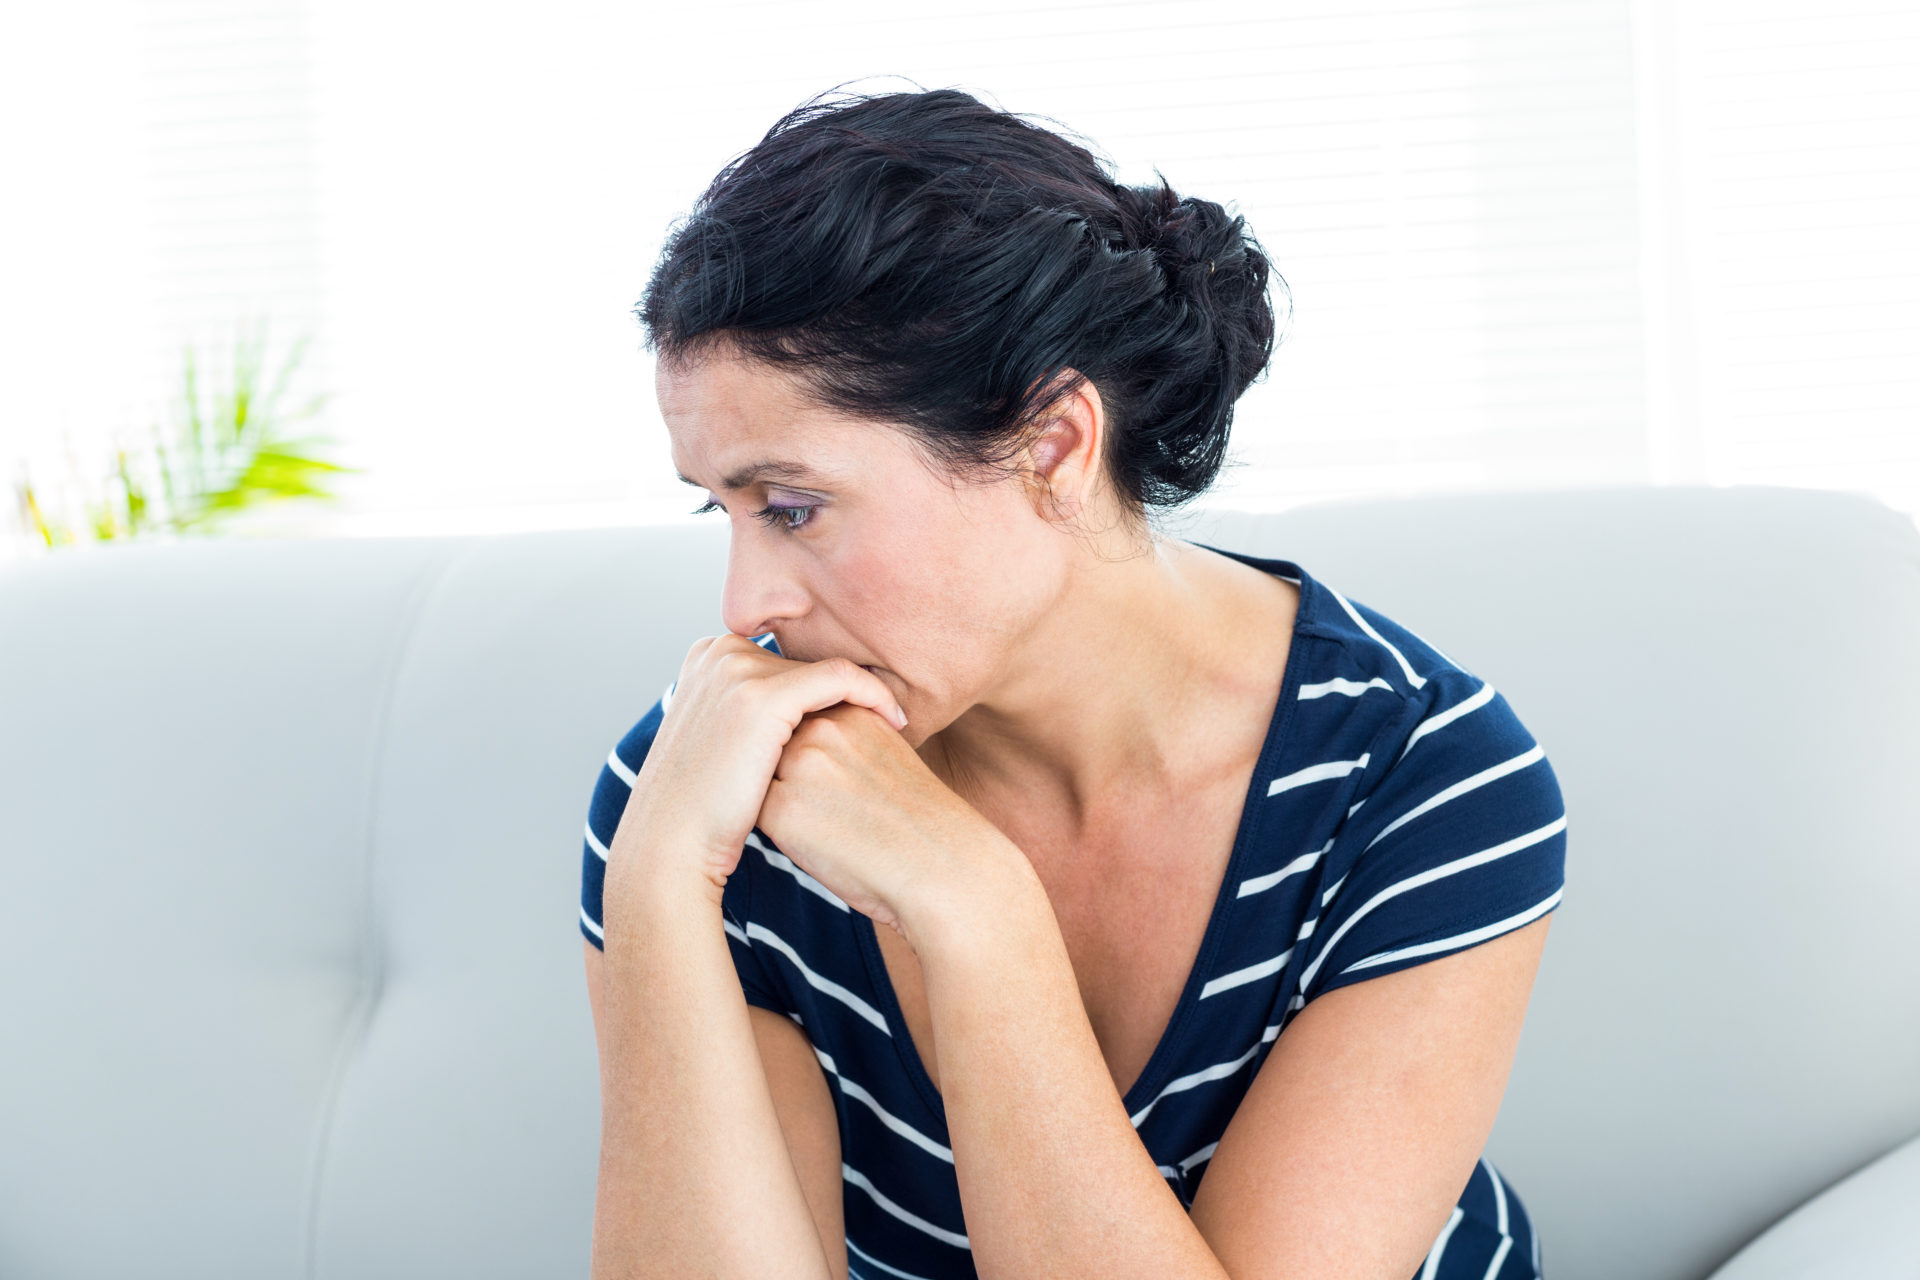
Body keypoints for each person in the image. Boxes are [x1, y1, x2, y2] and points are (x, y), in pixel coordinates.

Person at [579, 86, 1566, 1280]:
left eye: (794, 507)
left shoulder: (1420, 777)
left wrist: (978, 909)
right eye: (723, 509)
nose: (745, 608)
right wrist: (652, 883)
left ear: (1053, 446)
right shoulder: (710, 781)